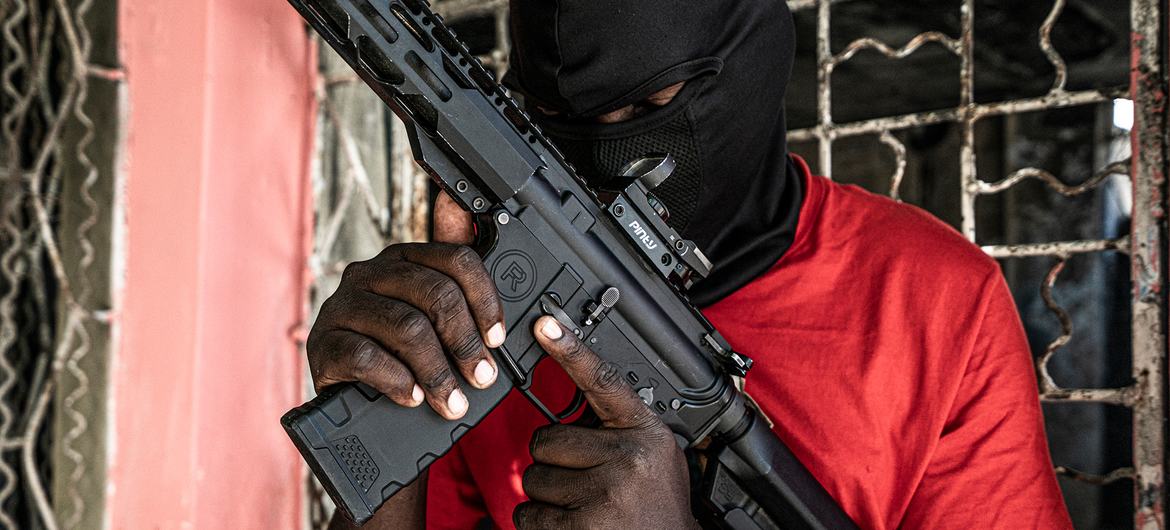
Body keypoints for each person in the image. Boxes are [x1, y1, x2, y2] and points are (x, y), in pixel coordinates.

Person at [311, 0, 1074, 528]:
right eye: (556, 124)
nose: (607, 158)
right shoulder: (486, 293)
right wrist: (387, 437)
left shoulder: (937, 302)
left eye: (651, 112)